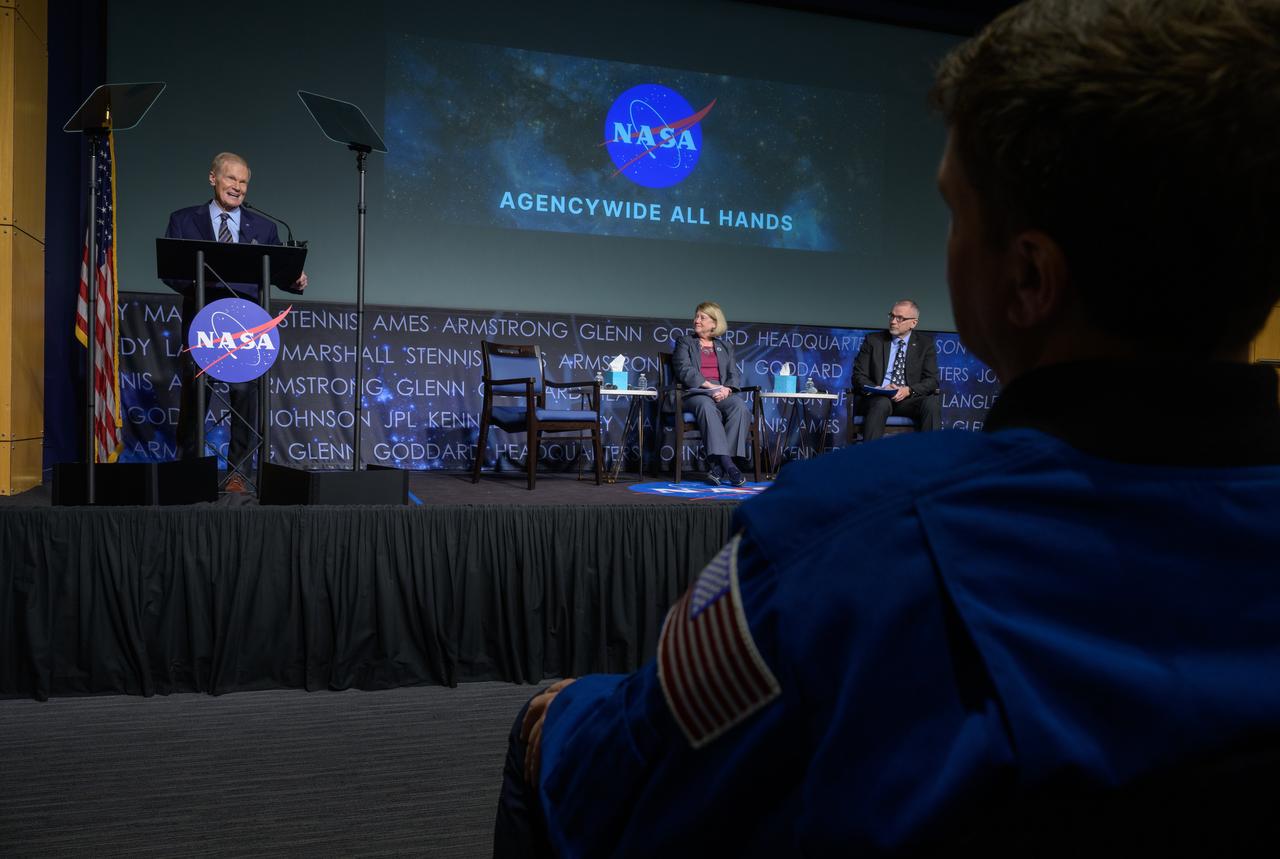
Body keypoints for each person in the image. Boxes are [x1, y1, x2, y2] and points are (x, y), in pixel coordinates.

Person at [494, 0, 1280, 855]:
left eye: (952, 211)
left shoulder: (836, 538)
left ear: (1026, 278)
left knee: (554, 726)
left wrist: (556, 713)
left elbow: (631, 777)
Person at [163, 152, 307, 492]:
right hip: (202, 322)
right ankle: (189, 470)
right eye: (231, 179)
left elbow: (277, 273)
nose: (237, 187)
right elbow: (171, 269)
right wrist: (204, 287)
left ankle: (238, 473)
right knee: (197, 396)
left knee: (245, 397)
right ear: (213, 178)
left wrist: (295, 279)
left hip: (246, 327)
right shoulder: (184, 220)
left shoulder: (265, 227)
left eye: (243, 182)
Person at [669, 302, 752, 486]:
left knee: (740, 407)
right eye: (696, 316)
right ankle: (728, 465)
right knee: (706, 406)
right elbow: (685, 371)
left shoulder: (725, 346)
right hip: (694, 393)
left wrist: (727, 389)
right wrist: (710, 387)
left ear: (714, 323)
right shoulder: (685, 342)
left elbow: (733, 374)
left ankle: (717, 468)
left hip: (720, 393)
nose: (697, 320)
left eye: (702, 317)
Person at [851, 299, 940, 440]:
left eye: (900, 318)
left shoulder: (925, 344)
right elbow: (858, 376)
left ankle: (930, 457)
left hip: (907, 400)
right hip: (877, 398)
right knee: (881, 403)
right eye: (892, 316)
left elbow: (932, 380)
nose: (893, 321)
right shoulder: (873, 340)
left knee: (931, 403)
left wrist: (908, 390)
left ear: (913, 323)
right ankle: (869, 458)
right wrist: (880, 388)